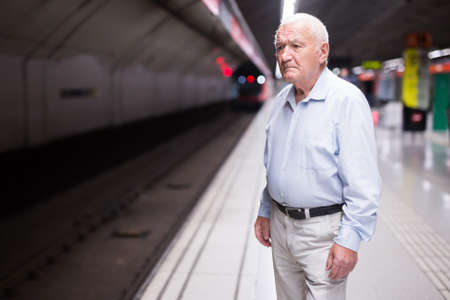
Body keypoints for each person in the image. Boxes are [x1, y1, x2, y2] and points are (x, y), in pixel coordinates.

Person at [254, 13, 381, 300]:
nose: (284, 55)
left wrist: (350, 240)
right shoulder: (280, 102)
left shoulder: (345, 101)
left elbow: (363, 181)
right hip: (280, 226)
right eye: (280, 47)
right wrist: (265, 210)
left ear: (322, 52)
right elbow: (273, 164)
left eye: (295, 46)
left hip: (322, 234)